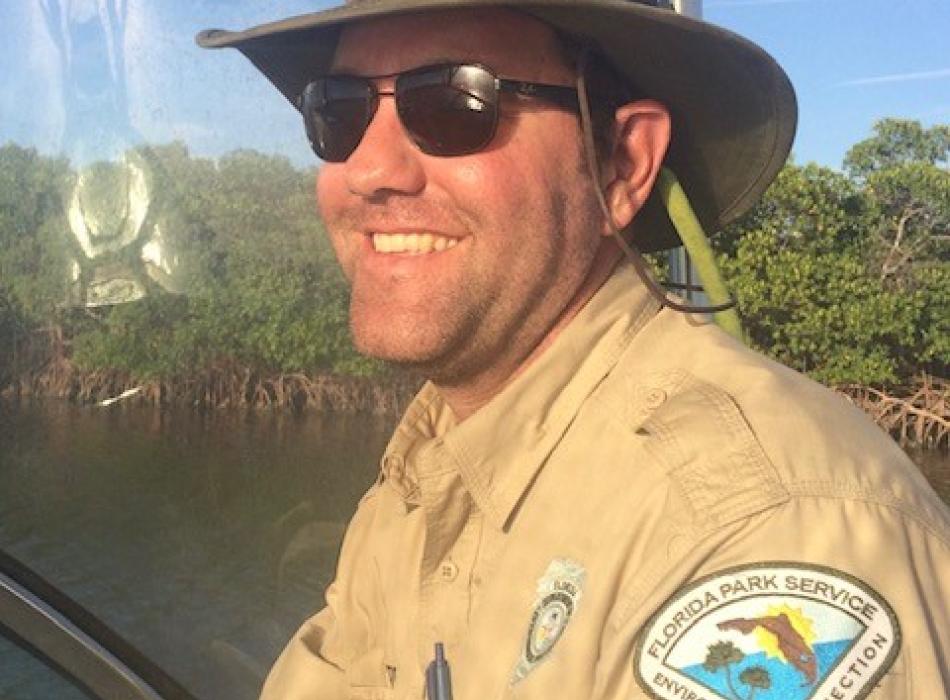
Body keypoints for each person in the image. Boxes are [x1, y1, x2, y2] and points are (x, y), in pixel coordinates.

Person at [198, 2, 950, 698]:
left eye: (457, 103)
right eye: (338, 111)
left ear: (621, 163)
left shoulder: (758, 531)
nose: (367, 170)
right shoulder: (425, 470)